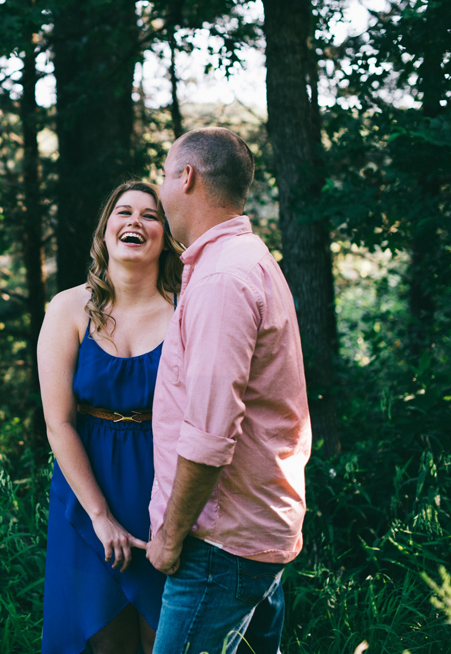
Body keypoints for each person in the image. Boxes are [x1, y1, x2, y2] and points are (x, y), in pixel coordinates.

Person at [146, 127, 312, 654]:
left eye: (165, 176)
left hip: (220, 544)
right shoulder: (244, 260)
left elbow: (209, 434)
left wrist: (170, 539)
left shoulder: (223, 278)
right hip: (249, 531)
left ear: (186, 177)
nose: (162, 189)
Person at [39, 181, 184, 654]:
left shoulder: (186, 309)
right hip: (87, 489)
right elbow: (58, 422)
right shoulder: (68, 308)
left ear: (165, 237)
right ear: (106, 232)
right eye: (124, 212)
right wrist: (99, 516)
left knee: (163, 636)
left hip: (162, 487)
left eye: (150, 215)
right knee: (102, 641)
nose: (135, 222)